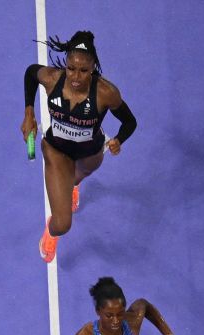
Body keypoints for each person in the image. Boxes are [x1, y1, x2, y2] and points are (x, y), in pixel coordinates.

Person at [21, 31, 137, 262]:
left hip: (90, 153)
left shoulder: (106, 93)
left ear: (93, 67)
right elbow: (31, 73)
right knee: (62, 224)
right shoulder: (53, 79)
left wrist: (118, 140)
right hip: (57, 151)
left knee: (77, 177)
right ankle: (50, 232)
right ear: (66, 63)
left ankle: (73, 183)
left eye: (84, 70)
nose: (76, 76)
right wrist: (28, 112)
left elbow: (130, 122)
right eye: (71, 68)